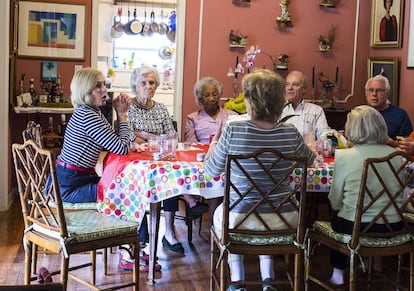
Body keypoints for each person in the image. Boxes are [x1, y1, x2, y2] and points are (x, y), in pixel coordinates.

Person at [204, 69, 315, 291]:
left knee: (224, 213)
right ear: (279, 101)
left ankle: (237, 281)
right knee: (266, 204)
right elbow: (310, 160)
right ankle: (268, 281)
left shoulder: (234, 130)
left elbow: (211, 170)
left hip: (239, 219)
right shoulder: (291, 132)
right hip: (285, 219)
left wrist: (213, 145)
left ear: (249, 100)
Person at [128, 66, 207, 255]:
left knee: (168, 177)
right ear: (135, 86)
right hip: (138, 163)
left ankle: (169, 232)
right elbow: (128, 137)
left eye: (152, 83)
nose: (148, 87)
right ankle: (141, 234)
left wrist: (145, 136)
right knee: (162, 176)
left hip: (160, 158)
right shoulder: (128, 109)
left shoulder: (161, 109)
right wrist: (151, 136)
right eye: (144, 83)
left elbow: (172, 136)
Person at [327, 105, 404, 285]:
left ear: (351, 128)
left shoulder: (344, 156)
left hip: (355, 227)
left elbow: (335, 200)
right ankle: (371, 264)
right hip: (394, 225)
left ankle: (338, 271)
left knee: (335, 209)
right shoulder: (398, 156)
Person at [50, 67, 134, 203]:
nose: (105, 89)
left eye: (104, 84)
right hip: (69, 186)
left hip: (74, 177)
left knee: (122, 187)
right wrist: (122, 116)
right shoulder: (88, 116)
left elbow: (116, 142)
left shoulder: (90, 111)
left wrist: (120, 116)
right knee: (126, 191)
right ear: (85, 91)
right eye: (98, 86)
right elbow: (122, 149)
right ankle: (124, 224)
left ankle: (119, 223)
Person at [185, 77, 237, 218]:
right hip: (202, 160)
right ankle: (195, 204)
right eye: (207, 95)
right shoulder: (192, 118)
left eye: (214, 94)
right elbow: (191, 144)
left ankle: (214, 223)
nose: (212, 98)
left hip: (225, 159)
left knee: (220, 172)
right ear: (200, 98)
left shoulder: (232, 116)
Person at [280, 70, 331, 141]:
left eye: (295, 84)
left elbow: (324, 136)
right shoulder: (278, 110)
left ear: (303, 89)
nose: (290, 88)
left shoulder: (316, 111)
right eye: (287, 84)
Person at [365, 74, 412, 146]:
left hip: (391, 155)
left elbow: (407, 143)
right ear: (366, 93)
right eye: (371, 90)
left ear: (387, 93)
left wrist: (390, 142)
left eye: (379, 90)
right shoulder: (359, 113)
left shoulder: (400, 114)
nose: (374, 94)